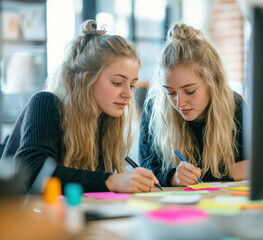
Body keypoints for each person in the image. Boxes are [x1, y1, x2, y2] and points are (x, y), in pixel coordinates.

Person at [0, 19, 159, 193]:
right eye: (117, 82)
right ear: (86, 79)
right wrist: (110, 181)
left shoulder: (106, 120)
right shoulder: (46, 103)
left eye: (132, 85)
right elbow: (33, 170)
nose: (128, 94)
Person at [139, 23, 249, 187]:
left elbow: (253, 164)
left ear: (212, 83)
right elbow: (147, 170)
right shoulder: (154, 108)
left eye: (189, 91)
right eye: (170, 92)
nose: (179, 103)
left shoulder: (235, 105)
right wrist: (173, 177)